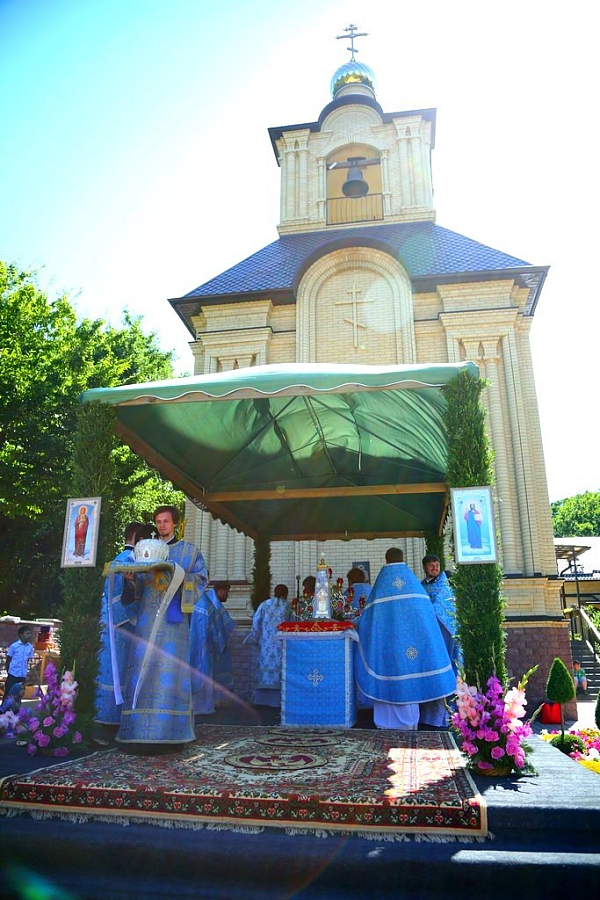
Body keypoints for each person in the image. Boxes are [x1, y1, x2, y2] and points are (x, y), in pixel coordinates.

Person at [116, 506, 207, 747]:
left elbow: (201, 580)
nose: (162, 526)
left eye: (166, 521)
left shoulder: (189, 551)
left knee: (170, 671)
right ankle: (138, 731)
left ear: (175, 523)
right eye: (158, 521)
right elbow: (136, 590)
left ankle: (171, 732)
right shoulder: (144, 550)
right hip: (147, 620)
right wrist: (130, 580)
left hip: (173, 625)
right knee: (142, 668)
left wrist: (179, 576)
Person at [354, 548, 456, 730]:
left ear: (386, 559)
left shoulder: (382, 585)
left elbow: (368, 618)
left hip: (388, 646)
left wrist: (358, 627)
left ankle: (385, 723)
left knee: (387, 679)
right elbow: (427, 617)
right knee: (409, 679)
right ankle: (409, 722)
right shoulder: (414, 585)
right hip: (412, 647)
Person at [94, 521, 142, 729]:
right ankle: (109, 721)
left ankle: (109, 719)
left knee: (113, 670)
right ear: (138, 538)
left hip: (112, 625)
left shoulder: (121, 558)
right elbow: (122, 598)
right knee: (116, 672)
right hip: (121, 627)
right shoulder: (128, 559)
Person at [419, 554, 463, 728]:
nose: (435, 568)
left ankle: (447, 716)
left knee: (445, 671)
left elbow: (440, 609)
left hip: (444, 637)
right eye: (431, 565)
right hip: (427, 637)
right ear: (424, 567)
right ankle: (428, 716)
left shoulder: (445, 585)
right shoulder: (421, 586)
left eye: (437, 564)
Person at [244, 584, 291, 707]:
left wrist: (254, 638)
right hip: (281, 646)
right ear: (285, 594)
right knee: (279, 671)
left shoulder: (264, 605)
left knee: (264, 671)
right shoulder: (287, 606)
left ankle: (261, 701)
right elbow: (293, 626)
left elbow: (256, 622)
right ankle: (277, 702)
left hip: (265, 646)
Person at [189, 583, 228, 716]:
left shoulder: (181, 599)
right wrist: (218, 644)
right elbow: (217, 631)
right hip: (203, 650)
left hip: (184, 648)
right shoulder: (206, 603)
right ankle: (202, 707)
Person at [206, 582, 236, 706]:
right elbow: (225, 625)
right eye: (227, 593)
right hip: (216, 646)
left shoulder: (211, 603)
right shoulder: (215, 606)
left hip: (215, 646)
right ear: (221, 591)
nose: (227, 595)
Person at [3, 625, 34, 699]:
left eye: (30, 633)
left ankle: (17, 706)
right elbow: (8, 660)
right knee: (8, 693)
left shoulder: (30, 647)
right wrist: (9, 672)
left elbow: (27, 660)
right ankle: (4, 706)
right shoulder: (14, 646)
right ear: (21, 635)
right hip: (13, 674)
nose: (29, 635)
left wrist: (25, 671)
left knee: (19, 694)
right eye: (27, 633)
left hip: (22, 675)